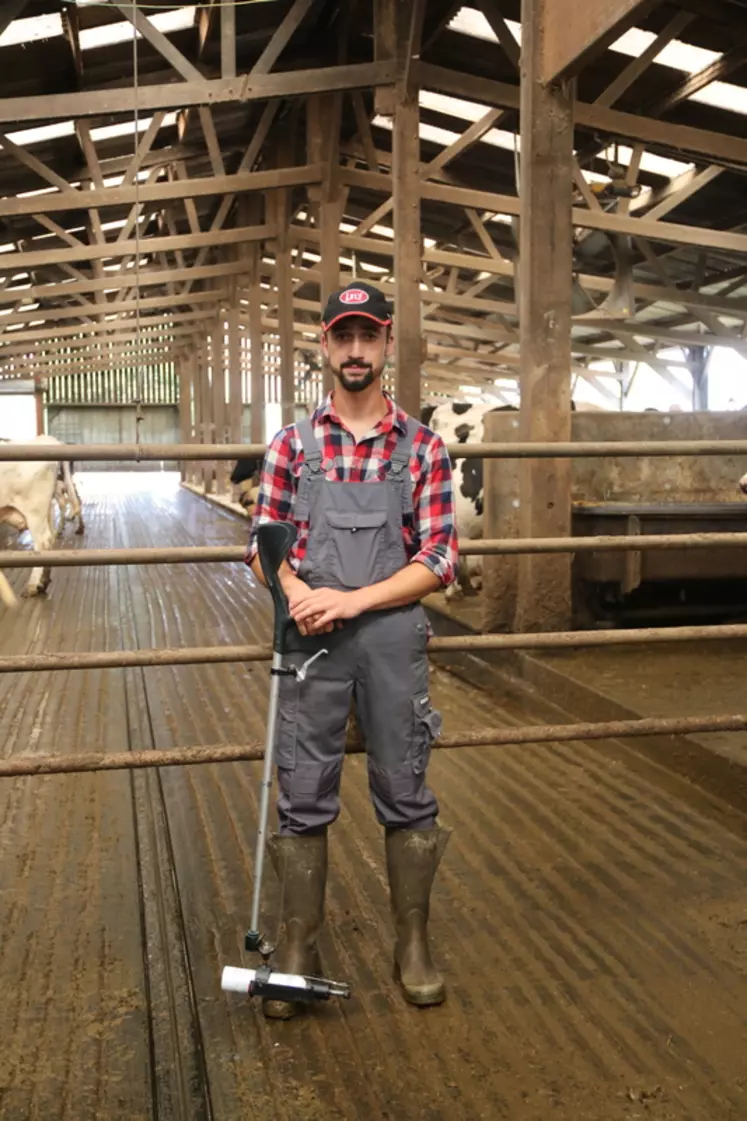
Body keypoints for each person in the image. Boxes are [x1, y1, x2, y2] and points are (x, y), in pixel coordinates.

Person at [246, 280, 458, 1019]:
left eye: (369, 336)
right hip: (310, 637)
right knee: (303, 792)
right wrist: (292, 588)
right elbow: (262, 540)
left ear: (387, 343)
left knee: (404, 786)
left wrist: (354, 599)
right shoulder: (291, 446)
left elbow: (437, 558)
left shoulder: (421, 446)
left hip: (392, 634)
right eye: (344, 336)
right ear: (325, 345)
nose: (357, 350)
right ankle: (299, 941)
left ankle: (413, 940)